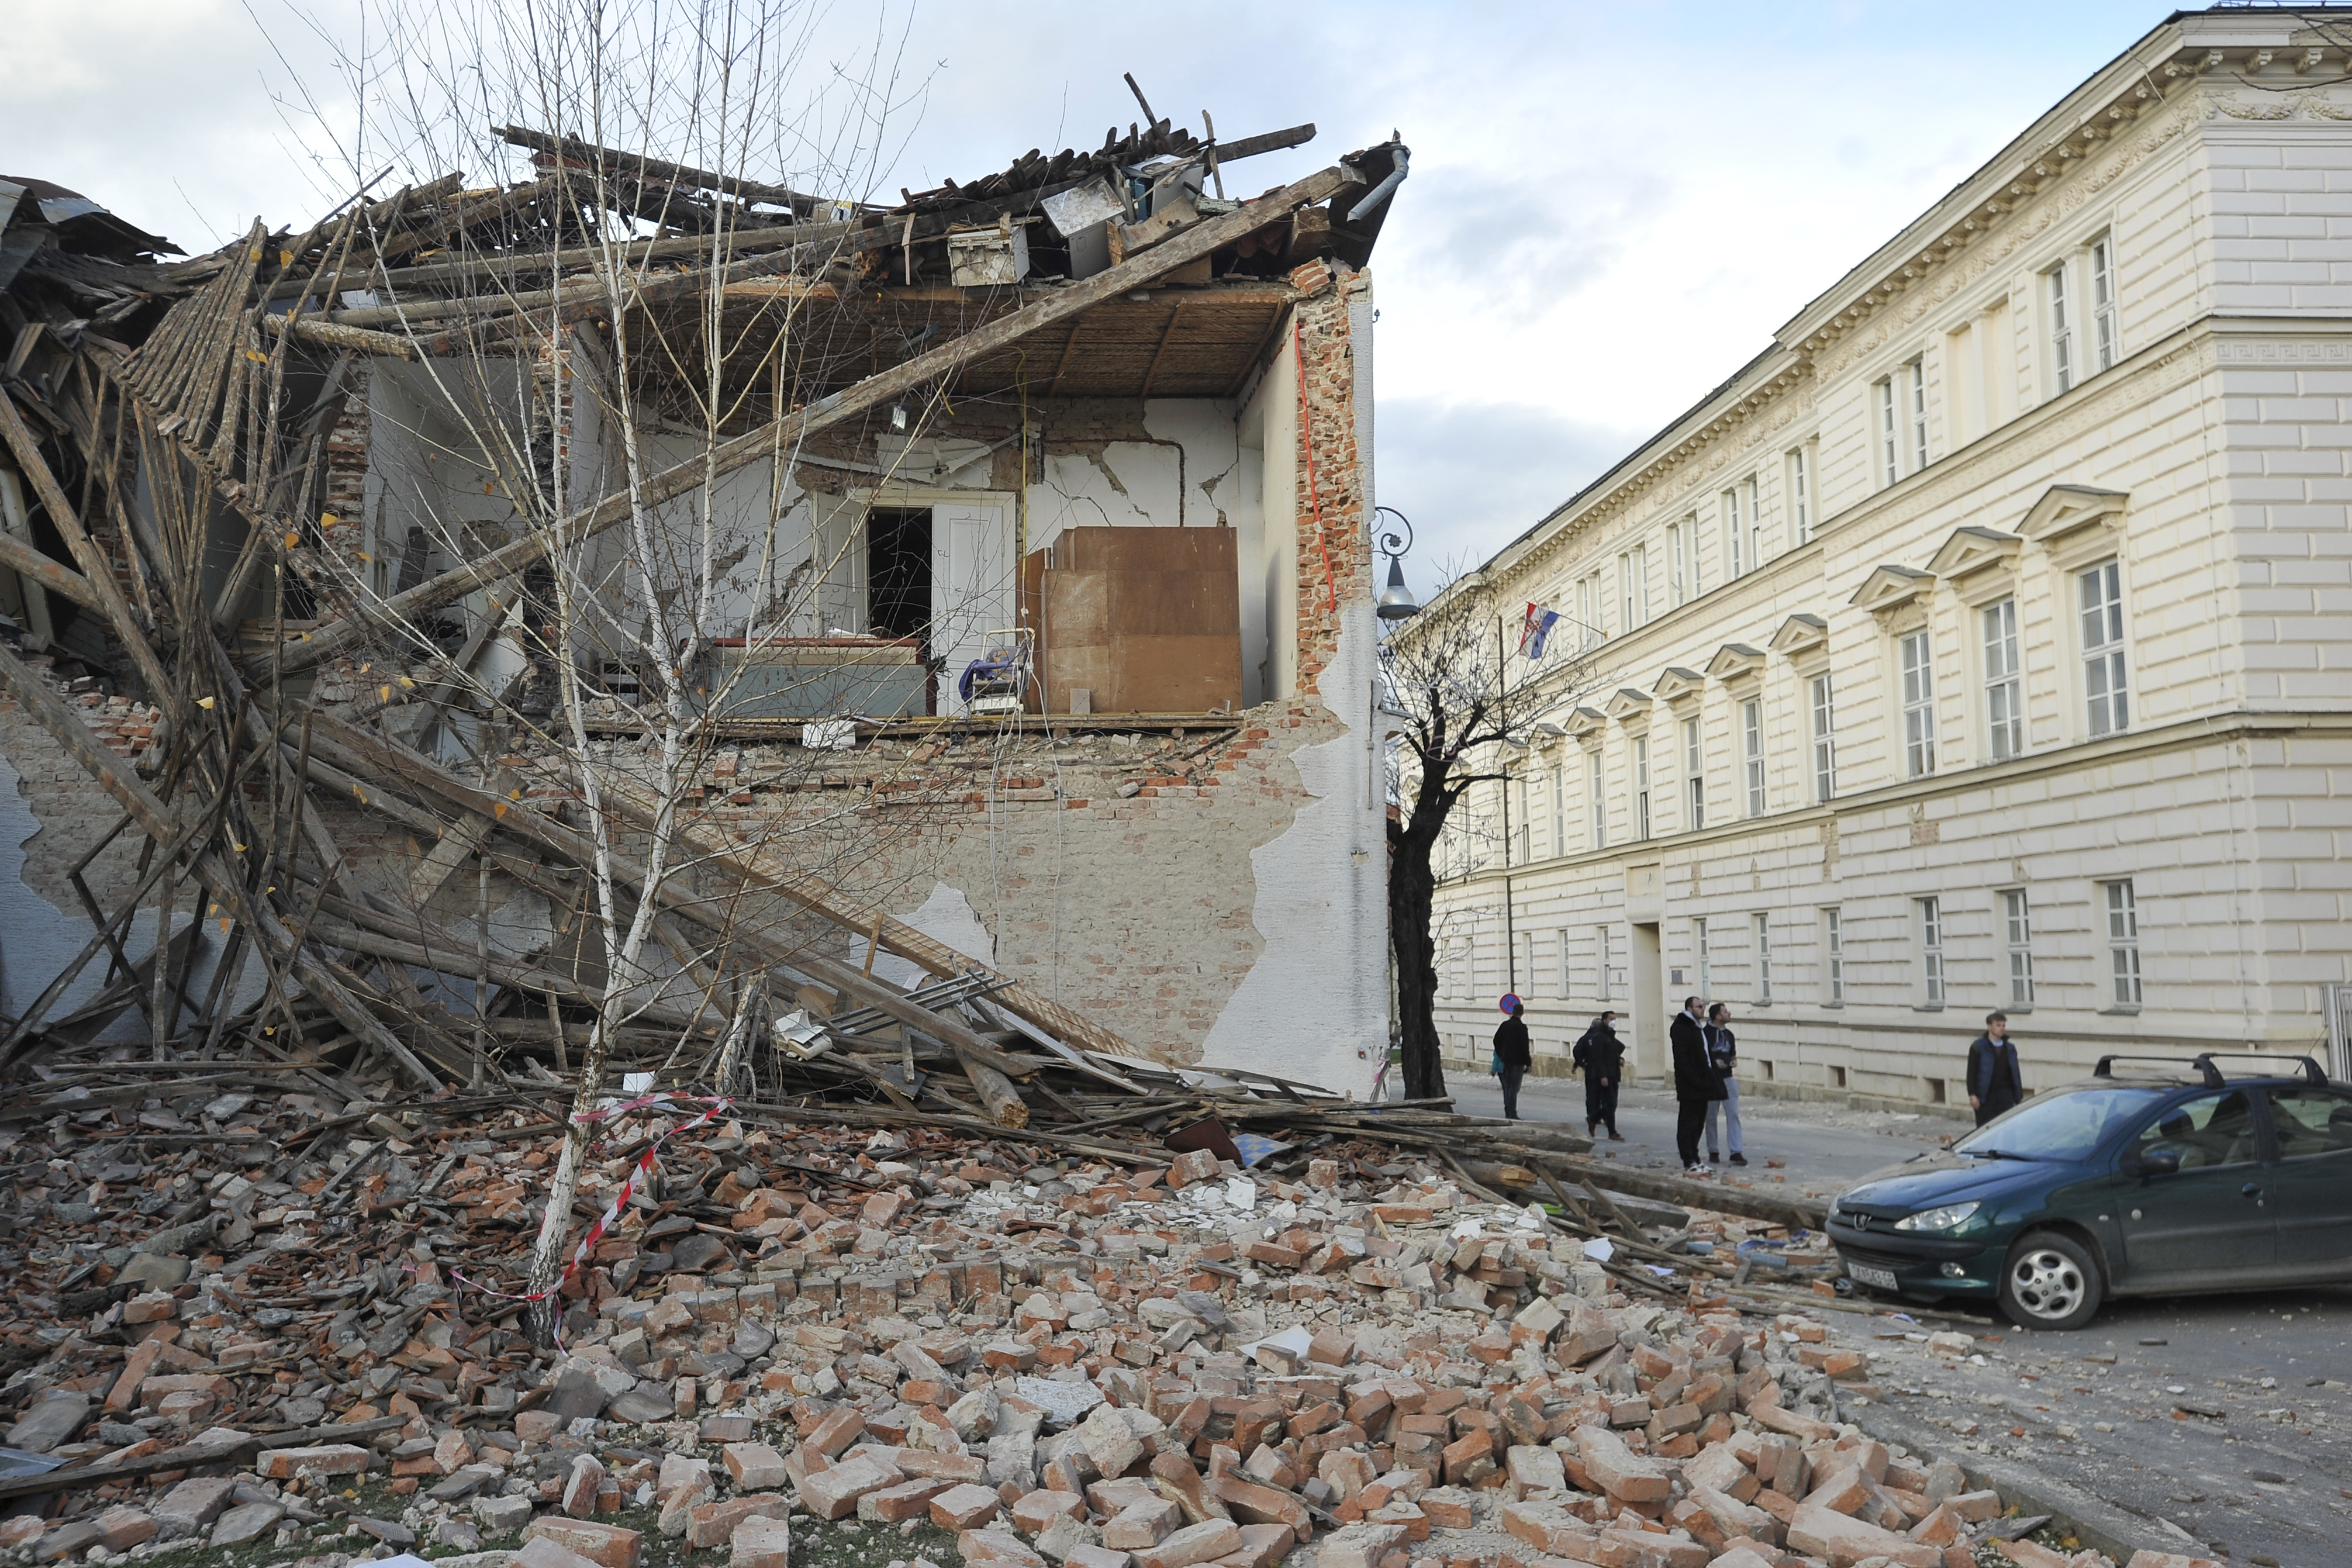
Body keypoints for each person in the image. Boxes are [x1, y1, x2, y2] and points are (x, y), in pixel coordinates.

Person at [1670, 995, 1722, 1173]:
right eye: (1699, 1006)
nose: (1703, 1009)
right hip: (1690, 1084)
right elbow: (1684, 1059)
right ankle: (1689, 1160)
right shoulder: (1682, 1027)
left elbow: (1705, 1055)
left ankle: (1696, 1158)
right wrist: (1696, 1080)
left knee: (1699, 1122)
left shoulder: (1697, 1027)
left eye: (1703, 1006)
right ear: (1690, 1009)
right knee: (1688, 1122)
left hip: (1702, 1082)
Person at [1572, 1010, 1626, 1141]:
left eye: (1615, 1018)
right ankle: (1609, 1129)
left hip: (1613, 1073)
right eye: (1611, 1019)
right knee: (1610, 1103)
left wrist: (1619, 1059)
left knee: (1611, 1104)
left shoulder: (1610, 1036)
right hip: (1603, 1074)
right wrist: (1602, 1075)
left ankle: (1595, 1120)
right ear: (1605, 1020)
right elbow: (1598, 1058)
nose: (1614, 1021)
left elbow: (1613, 1052)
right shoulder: (1599, 1037)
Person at [1704, 1001, 1746, 1166]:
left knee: (1733, 1113)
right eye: (1725, 1011)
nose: (1729, 1014)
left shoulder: (1729, 1034)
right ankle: (1713, 1150)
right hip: (1712, 1079)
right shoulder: (1705, 1033)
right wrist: (1715, 1063)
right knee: (1711, 1116)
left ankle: (1736, 1151)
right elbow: (1702, 1055)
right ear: (1718, 1016)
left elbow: (1732, 1054)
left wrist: (1733, 1062)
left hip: (1728, 1078)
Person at [1966, 1011, 2023, 1127]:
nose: (2002, 1028)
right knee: (1985, 1128)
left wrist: (2018, 1096)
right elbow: (1971, 1072)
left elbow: (2015, 1073)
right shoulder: (1979, 1047)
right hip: (1986, 1095)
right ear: (1989, 1026)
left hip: (2006, 1093)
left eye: (2003, 1025)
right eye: (1998, 1025)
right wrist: (1973, 1095)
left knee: (2009, 1127)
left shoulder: (2010, 1048)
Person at [1493, 997, 1532, 1120]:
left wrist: (1501, 1053)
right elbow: (1524, 1046)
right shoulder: (1521, 1028)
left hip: (1505, 1061)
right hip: (1518, 1062)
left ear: (1512, 1012)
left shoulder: (1505, 1025)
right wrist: (1528, 1063)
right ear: (1522, 1013)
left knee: (1508, 1088)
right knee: (1514, 1088)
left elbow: (1496, 1040)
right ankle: (1512, 1113)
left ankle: (1508, 1112)